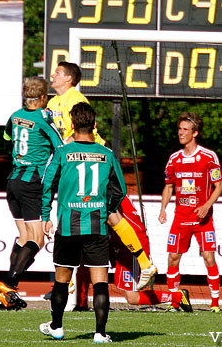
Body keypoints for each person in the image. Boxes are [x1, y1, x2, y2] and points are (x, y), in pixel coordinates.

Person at [48, 61, 156, 293]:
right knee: (104, 215)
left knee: (92, 213)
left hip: (88, 159)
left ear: (69, 78)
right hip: (76, 160)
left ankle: (66, 283)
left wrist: (58, 156)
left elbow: (79, 133)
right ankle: (145, 265)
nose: (52, 75)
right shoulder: (53, 102)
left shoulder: (76, 100)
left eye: (57, 72)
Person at [40, 102, 125, 343]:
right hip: (96, 226)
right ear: (95, 125)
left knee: (61, 279)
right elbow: (120, 191)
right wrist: (103, 209)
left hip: (68, 225)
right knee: (100, 281)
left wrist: (45, 215)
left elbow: (47, 184)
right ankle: (100, 333)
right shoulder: (107, 154)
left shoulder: (61, 152)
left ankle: (57, 327)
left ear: (73, 125)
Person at [0, 77, 64, 309]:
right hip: (31, 182)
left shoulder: (15, 115)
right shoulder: (43, 118)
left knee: (23, 238)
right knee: (38, 239)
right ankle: (9, 282)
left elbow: (6, 136)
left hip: (13, 180)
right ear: (44, 98)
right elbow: (60, 146)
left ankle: (8, 293)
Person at [159, 112, 222, 312]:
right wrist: (163, 209)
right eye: (179, 129)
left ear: (195, 133)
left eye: (185, 129)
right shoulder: (174, 159)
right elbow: (169, 186)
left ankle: (214, 304)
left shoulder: (208, 156)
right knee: (172, 258)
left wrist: (206, 206)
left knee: (208, 257)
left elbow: (219, 186)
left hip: (203, 219)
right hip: (181, 217)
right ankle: (174, 302)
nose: (181, 133)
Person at [111, 195, 192, 312]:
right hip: (123, 245)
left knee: (132, 297)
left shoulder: (110, 195)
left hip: (133, 245)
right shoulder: (115, 193)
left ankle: (178, 297)